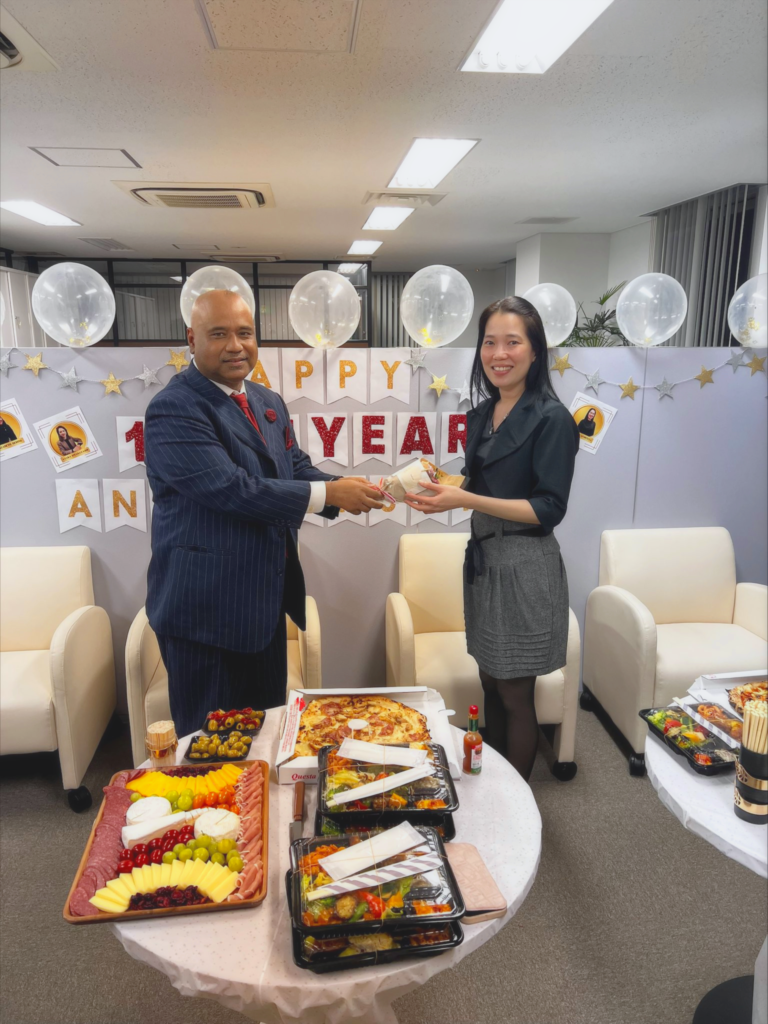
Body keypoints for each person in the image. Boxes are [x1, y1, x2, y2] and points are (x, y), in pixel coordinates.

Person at [144, 289, 383, 734]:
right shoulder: (174, 408)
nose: (236, 345)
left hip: (264, 607)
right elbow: (232, 490)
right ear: (191, 339)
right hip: (205, 616)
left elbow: (295, 469)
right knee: (212, 750)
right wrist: (331, 496)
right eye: (219, 334)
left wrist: (357, 488)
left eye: (245, 333)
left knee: (267, 738)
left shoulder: (266, 403)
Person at [404, 296, 579, 781]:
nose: (499, 353)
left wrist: (465, 501)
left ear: (535, 351)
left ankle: (515, 798)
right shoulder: (482, 414)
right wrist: (434, 484)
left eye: (512, 342)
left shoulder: (552, 418)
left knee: (516, 692)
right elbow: (480, 483)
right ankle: (492, 777)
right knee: (489, 678)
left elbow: (549, 509)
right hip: (484, 563)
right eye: (489, 342)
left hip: (525, 567)